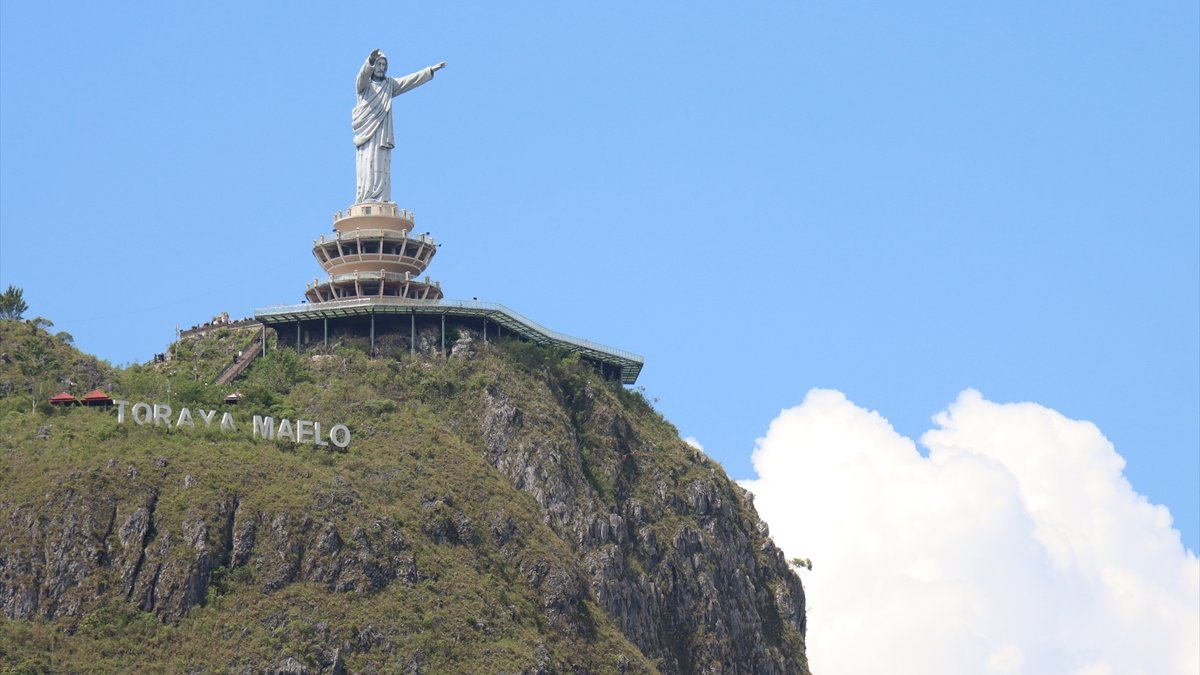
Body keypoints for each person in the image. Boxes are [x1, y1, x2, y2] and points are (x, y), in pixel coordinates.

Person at [353, 49, 446, 203]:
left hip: (382, 132)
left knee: (382, 162)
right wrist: (369, 60)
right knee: (368, 161)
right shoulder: (364, 87)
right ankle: (367, 196)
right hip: (367, 133)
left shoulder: (389, 85)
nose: (381, 68)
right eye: (378, 64)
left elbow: (409, 81)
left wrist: (429, 71)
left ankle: (382, 197)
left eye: (384, 64)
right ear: (373, 66)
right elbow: (361, 77)